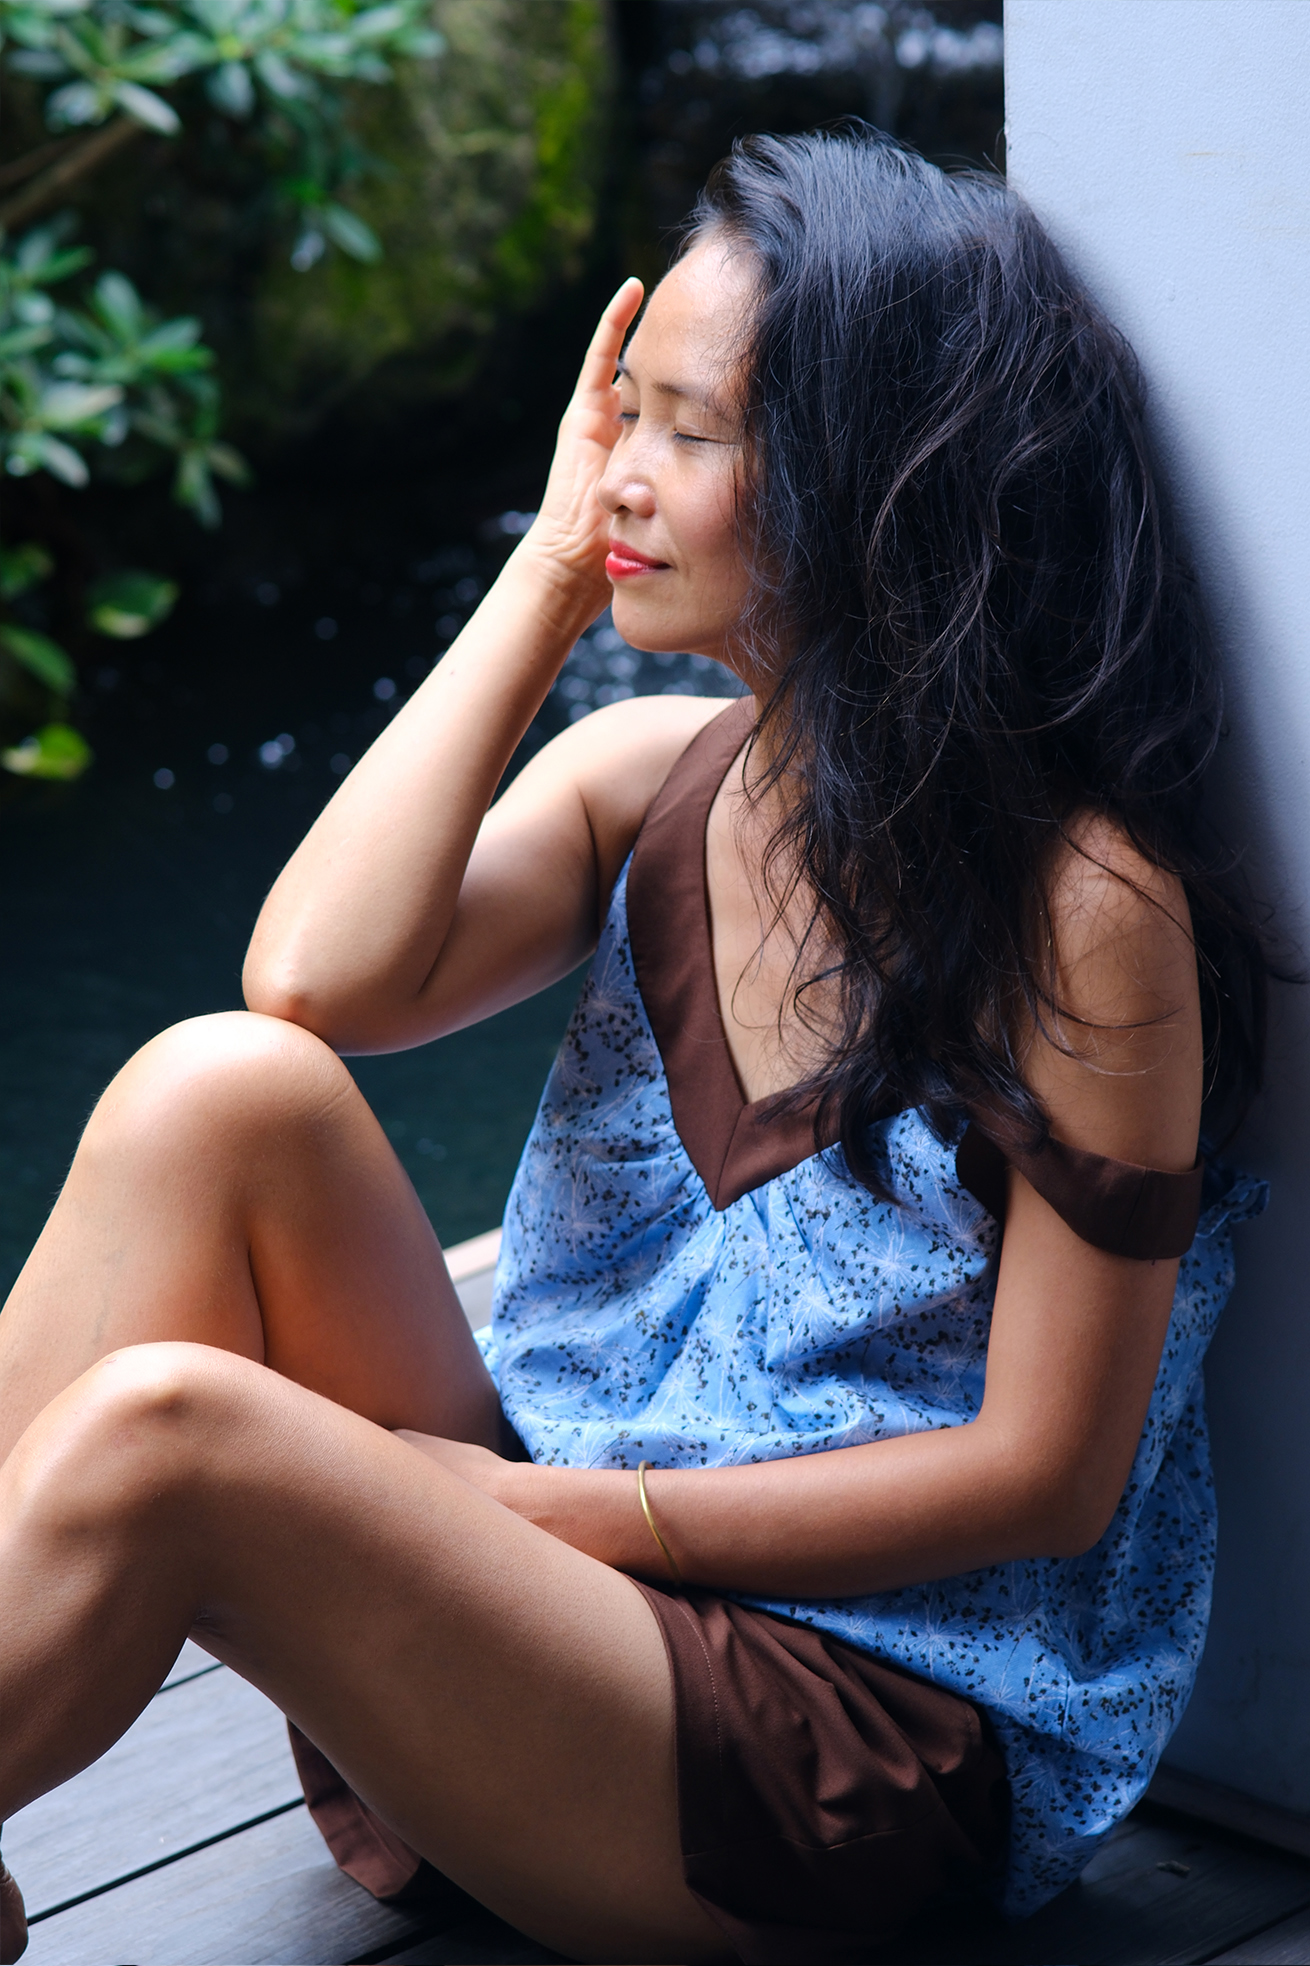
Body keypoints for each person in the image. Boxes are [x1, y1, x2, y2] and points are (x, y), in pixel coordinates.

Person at [0, 128, 1270, 1966]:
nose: (620, 476)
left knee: (167, 1433)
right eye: (621, 414)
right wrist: (543, 577)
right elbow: (310, 983)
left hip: (832, 1744)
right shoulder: (647, 777)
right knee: (215, 1089)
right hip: (539, 1624)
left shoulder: (1083, 905)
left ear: (876, 476)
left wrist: (543, 1511)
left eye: (690, 430)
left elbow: (1045, 1477)